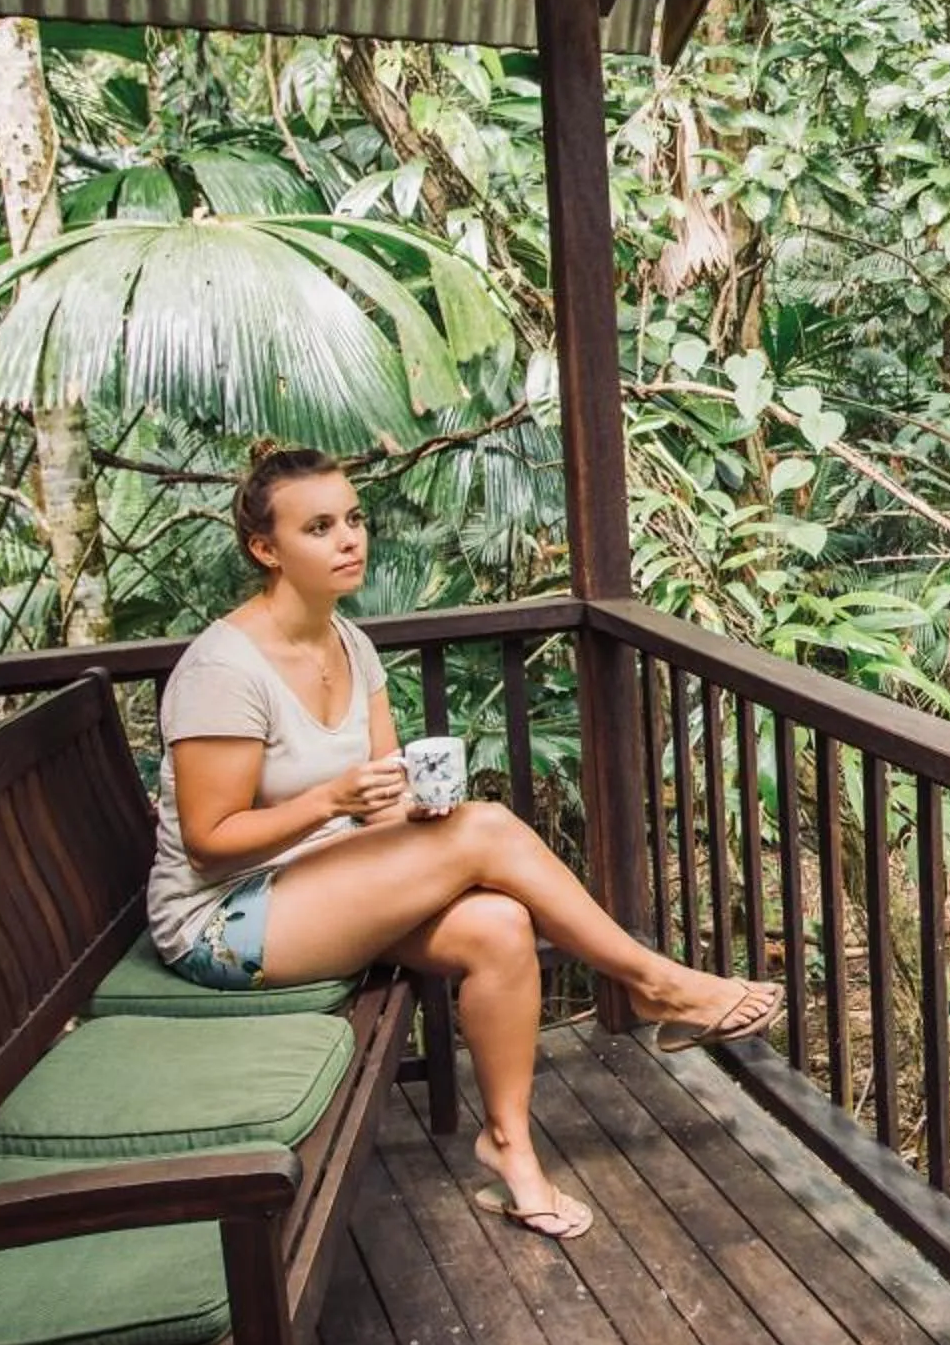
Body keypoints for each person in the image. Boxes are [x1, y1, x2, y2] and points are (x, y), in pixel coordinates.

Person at [146, 442, 777, 1239]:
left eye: (353, 519)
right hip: (221, 919)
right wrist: (332, 800)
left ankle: (509, 1148)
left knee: (500, 925)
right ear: (265, 550)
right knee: (487, 828)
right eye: (319, 528)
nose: (349, 539)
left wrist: (411, 814)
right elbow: (210, 842)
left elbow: (379, 799)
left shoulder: (349, 643)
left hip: (318, 883)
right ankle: (654, 983)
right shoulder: (225, 670)